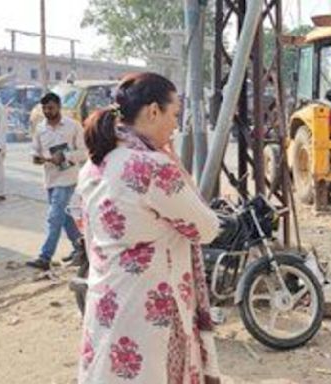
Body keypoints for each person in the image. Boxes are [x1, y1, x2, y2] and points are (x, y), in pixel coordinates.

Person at [77, 72, 221, 383]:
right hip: (149, 309)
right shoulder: (153, 166)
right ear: (153, 111)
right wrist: (174, 163)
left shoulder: (93, 165)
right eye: (174, 115)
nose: (175, 126)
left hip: (106, 300)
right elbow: (207, 228)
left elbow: (89, 235)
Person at [26, 92, 87, 271]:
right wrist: (36, 158)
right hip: (50, 179)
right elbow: (34, 150)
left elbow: (84, 152)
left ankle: (45, 257)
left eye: (50, 107)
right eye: (44, 108)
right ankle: (80, 248)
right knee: (65, 217)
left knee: (54, 217)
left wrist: (66, 156)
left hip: (68, 179)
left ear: (59, 107)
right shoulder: (40, 128)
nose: (47, 111)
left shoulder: (73, 126)